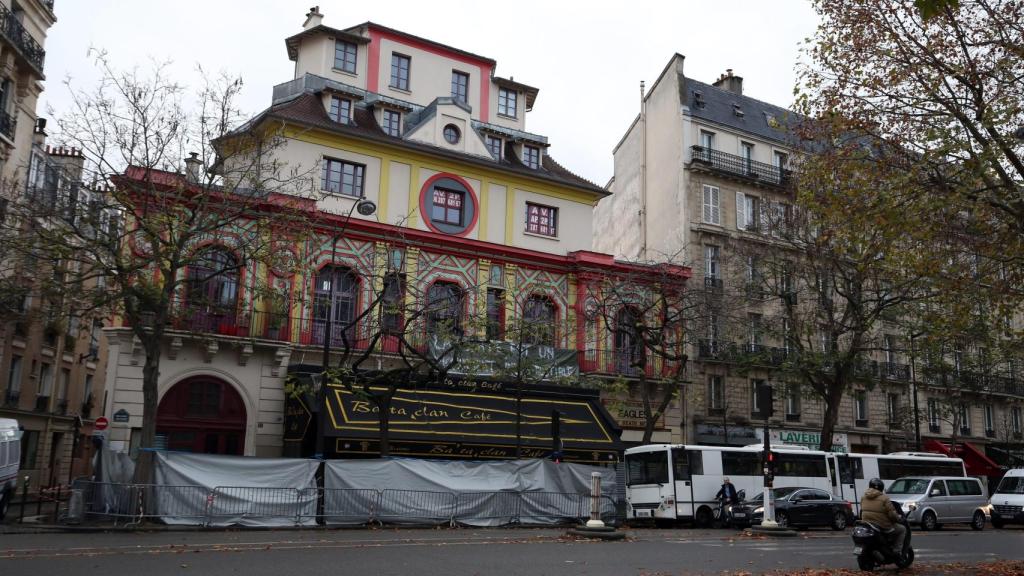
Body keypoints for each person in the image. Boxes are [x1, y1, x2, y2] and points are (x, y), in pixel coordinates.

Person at [860, 478, 906, 555]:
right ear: (881, 488)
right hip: (881, 526)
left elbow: (862, 511)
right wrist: (899, 518)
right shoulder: (885, 498)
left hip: (866, 524)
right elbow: (892, 515)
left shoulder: (863, 497)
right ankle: (897, 551)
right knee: (902, 529)